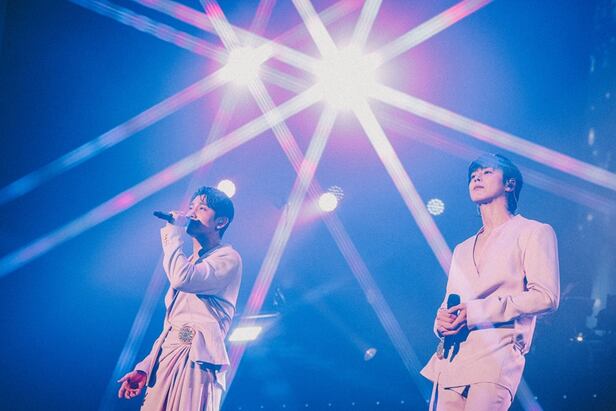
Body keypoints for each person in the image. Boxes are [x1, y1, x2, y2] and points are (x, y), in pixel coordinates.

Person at [421, 154, 560, 410]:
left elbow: (545, 297)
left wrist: (476, 312)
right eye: (473, 176)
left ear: (509, 184)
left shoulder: (533, 231)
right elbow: (451, 301)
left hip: (497, 355)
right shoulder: (462, 249)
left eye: (486, 172)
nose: (476, 178)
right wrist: (440, 322)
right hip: (451, 359)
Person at [117, 186, 242, 411]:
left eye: (202, 208)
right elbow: (172, 325)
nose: (192, 213)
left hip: (195, 360)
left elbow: (182, 279)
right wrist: (146, 366)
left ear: (221, 222)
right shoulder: (190, 262)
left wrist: (174, 233)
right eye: (191, 207)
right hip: (168, 358)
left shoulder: (228, 257)